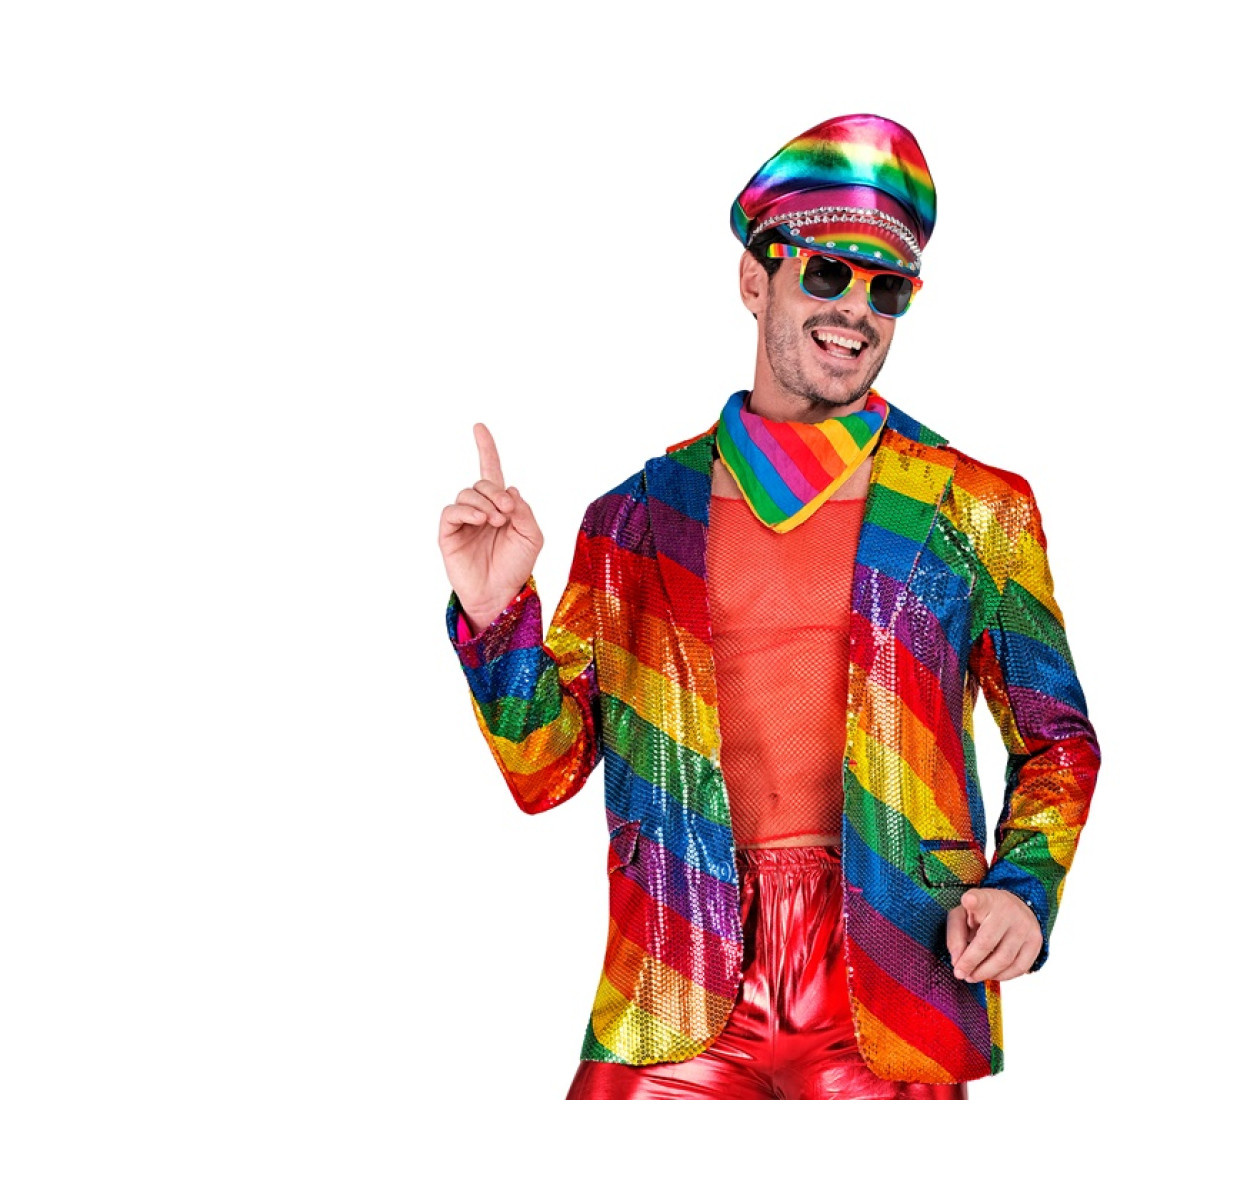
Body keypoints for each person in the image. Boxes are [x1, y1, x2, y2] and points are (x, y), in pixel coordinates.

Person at [438, 114, 1101, 1100]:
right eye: (827, 275)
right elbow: (546, 769)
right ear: (755, 280)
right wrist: (497, 616)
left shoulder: (975, 508)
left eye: (887, 290)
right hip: (674, 965)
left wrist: (1023, 890)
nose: (856, 311)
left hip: (897, 971)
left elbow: (1056, 740)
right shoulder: (635, 519)